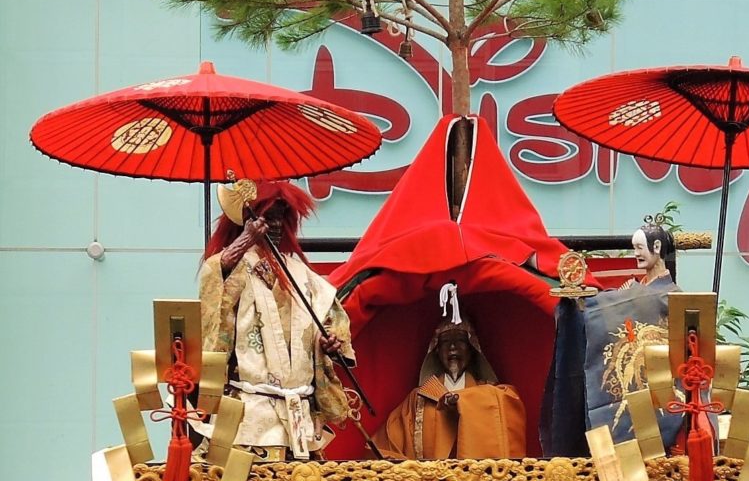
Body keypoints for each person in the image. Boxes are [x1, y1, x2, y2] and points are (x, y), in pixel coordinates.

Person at [199, 178, 355, 458]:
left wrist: (330, 341)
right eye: (267, 217)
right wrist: (245, 240)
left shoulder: (302, 274)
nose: (274, 225)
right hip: (250, 409)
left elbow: (332, 317)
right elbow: (215, 289)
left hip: (299, 413)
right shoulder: (235, 267)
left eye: (280, 218)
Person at [373, 314, 526, 460]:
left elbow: (511, 405)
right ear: (437, 351)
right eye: (446, 341)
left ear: (471, 349)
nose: (453, 347)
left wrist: (465, 401)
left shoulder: (492, 395)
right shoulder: (419, 398)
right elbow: (382, 449)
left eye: (460, 340)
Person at [628, 221, 677, 288]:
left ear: (657, 247)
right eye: (635, 248)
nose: (636, 253)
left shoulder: (671, 291)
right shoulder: (637, 286)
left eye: (640, 247)